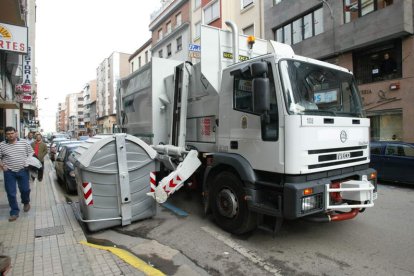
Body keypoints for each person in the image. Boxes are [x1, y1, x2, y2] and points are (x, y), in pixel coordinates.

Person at [0, 126, 34, 222]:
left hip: (23, 170)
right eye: (8, 134)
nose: (10, 135)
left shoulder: (23, 142)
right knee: (11, 192)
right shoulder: (2, 145)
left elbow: (31, 153)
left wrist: (28, 162)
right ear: (5, 135)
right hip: (9, 172)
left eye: (12, 133)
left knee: (25, 189)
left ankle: (26, 202)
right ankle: (14, 212)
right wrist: (2, 166)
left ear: (16, 133)